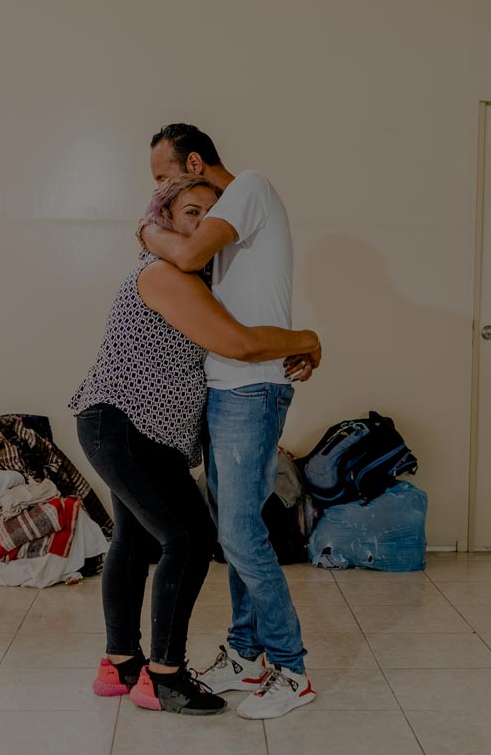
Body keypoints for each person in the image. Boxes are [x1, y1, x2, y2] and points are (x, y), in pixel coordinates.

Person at [71, 174, 321, 716]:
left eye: (210, 215)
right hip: (126, 427)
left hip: (127, 427)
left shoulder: (180, 275)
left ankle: (119, 665)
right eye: (191, 212)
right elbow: (239, 342)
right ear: (166, 219)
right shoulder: (167, 276)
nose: (204, 225)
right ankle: (164, 677)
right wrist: (306, 339)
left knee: (134, 542)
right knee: (189, 537)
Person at [139, 123, 319, 720]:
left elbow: (184, 252)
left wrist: (144, 231)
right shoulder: (221, 220)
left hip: (250, 390)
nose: (163, 196)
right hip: (226, 390)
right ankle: (246, 655)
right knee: (233, 531)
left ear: (195, 161)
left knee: (242, 534)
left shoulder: (249, 187)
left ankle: (291, 670)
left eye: (166, 177)